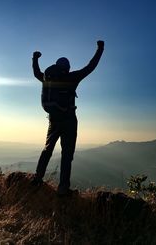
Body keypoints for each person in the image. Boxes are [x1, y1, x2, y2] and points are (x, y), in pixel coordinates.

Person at [31, 40, 104, 195]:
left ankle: (37, 178)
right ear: (68, 68)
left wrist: (35, 58)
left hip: (53, 120)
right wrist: (100, 49)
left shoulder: (46, 78)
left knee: (47, 149)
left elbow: (36, 73)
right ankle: (63, 188)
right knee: (67, 154)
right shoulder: (72, 78)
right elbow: (90, 66)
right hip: (69, 121)